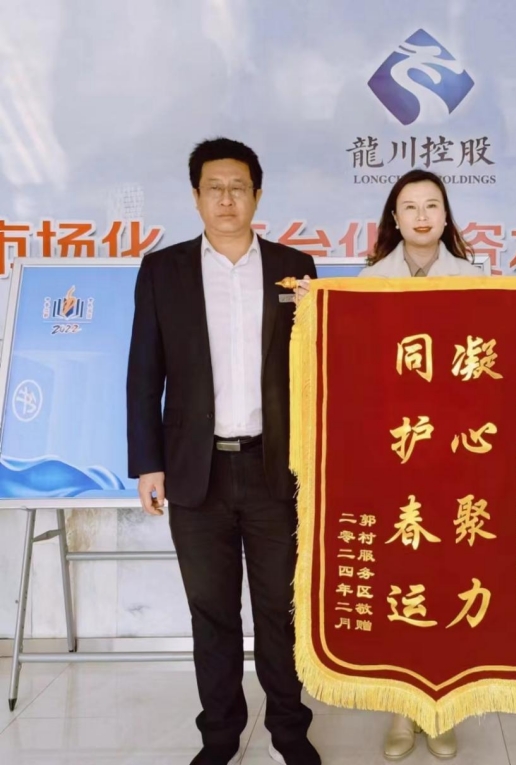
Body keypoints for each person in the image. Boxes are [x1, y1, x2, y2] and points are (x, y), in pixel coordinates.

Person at [126, 137, 320, 765]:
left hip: (274, 469)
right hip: (195, 470)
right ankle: (219, 736)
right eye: (214, 188)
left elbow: (316, 368)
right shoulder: (165, 270)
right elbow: (144, 373)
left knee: (280, 610)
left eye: (238, 187)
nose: (227, 199)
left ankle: (289, 730)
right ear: (196, 197)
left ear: (257, 195)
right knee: (210, 612)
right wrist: (148, 462)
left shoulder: (295, 268)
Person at [297, 169, 480, 759]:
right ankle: (403, 713)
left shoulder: (477, 281)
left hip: (453, 458)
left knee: (449, 580)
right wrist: (315, 312)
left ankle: (442, 710)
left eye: (432, 205)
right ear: (394, 219)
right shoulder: (368, 282)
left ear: (446, 217)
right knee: (400, 583)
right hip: (394, 455)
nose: (422, 216)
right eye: (410, 206)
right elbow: (351, 370)